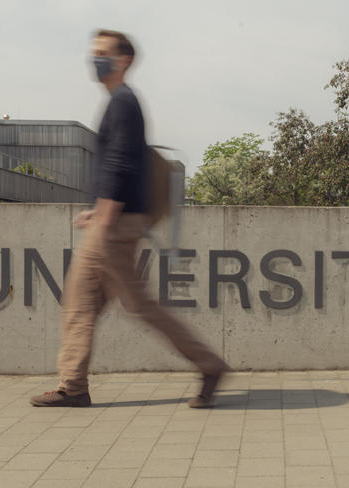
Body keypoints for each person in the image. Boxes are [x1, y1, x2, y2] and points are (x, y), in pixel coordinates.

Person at [30, 30, 228, 409]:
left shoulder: (123, 101)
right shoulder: (121, 101)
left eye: (102, 53)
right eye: (94, 52)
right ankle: (73, 385)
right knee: (82, 302)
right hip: (115, 220)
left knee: (137, 305)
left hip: (115, 226)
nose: (95, 59)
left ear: (123, 61)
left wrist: (104, 214)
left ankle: (209, 364)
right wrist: (98, 208)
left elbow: (120, 162)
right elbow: (123, 164)